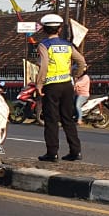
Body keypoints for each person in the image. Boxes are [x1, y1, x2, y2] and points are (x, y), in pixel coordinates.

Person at [33, 13, 87, 162]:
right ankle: (75, 151)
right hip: (67, 85)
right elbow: (81, 61)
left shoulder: (44, 45)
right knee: (67, 119)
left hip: (51, 86)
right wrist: (75, 75)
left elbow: (43, 66)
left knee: (51, 120)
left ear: (44, 29)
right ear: (59, 28)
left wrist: (39, 84)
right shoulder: (67, 45)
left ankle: (52, 153)